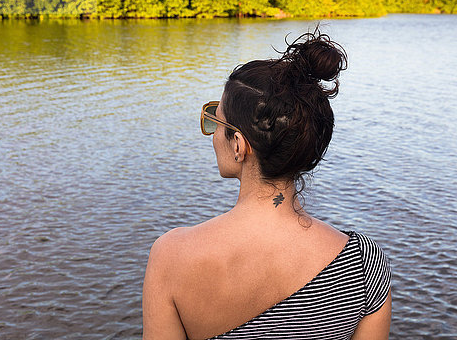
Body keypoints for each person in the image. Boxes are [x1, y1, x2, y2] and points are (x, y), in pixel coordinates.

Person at [143, 27, 392, 339]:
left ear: (238, 145)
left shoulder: (171, 257)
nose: (211, 133)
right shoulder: (364, 264)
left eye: (215, 121)